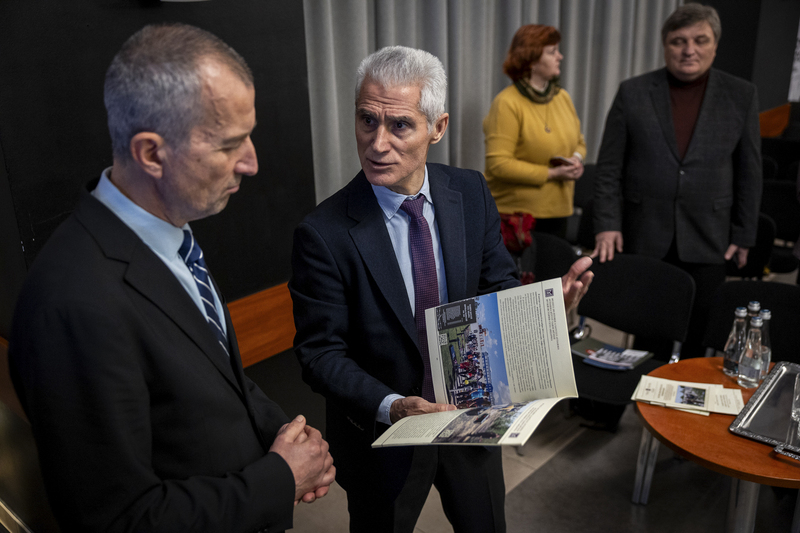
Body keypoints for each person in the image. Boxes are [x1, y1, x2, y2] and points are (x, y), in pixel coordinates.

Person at [8, 23, 334, 532]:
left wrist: (290, 435)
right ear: (152, 153)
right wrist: (279, 479)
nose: (252, 162)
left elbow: (210, 380)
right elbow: (119, 520)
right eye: (230, 144)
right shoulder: (74, 304)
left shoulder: (169, 236)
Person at [290, 45, 593, 532]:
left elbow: (497, 286)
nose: (377, 143)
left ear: (439, 126)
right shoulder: (323, 232)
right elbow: (320, 353)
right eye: (367, 121)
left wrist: (541, 309)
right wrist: (393, 406)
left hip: (472, 419)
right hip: (383, 436)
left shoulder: (469, 192)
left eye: (400, 125)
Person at [591, 4, 762, 358]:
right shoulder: (633, 92)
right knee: (647, 331)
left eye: (701, 40)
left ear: (715, 45)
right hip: (646, 232)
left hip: (710, 235)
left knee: (700, 334)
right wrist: (607, 224)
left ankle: (687, 409)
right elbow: (609, 167)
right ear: (665, 45)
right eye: (679, 41)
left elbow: (749, 170)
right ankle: (642, 403)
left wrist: (745, 234)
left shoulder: (741, 95)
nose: (689, 50)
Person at [483, 24, 586, 240]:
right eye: (552, 52)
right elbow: (499, 164)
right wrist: (553, 174)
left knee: (554, 273)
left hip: (559, 212)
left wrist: (575, 160)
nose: (560, 56)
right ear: (531, 60)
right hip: (517, 217)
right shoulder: (507, 103)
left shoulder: (562, 97)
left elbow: (580, 142)